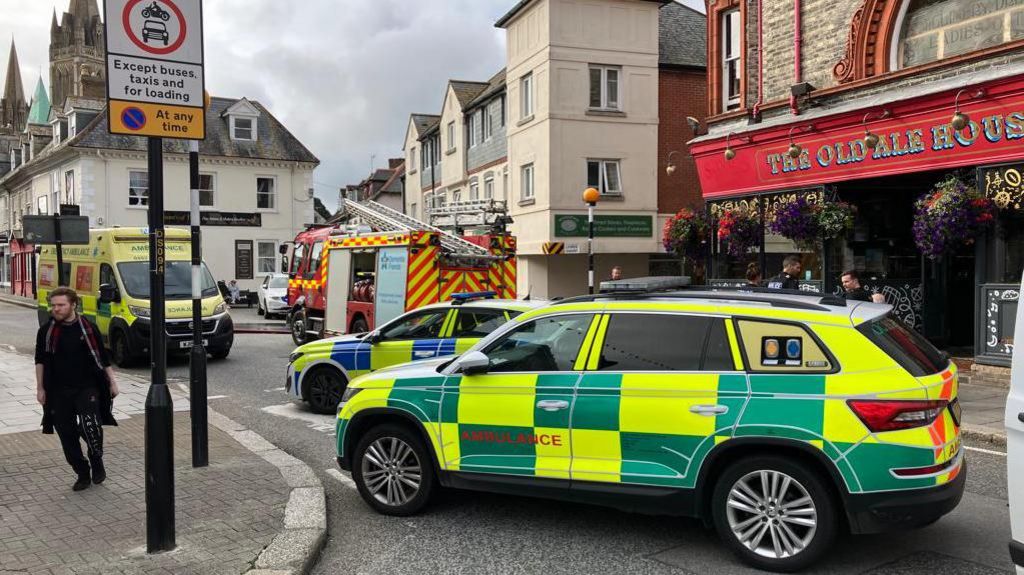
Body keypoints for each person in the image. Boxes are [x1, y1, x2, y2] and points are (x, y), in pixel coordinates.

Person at [35, 287, 119, 491]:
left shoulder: (88, 328)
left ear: (73, 304)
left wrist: (112, 382)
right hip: (57, 391)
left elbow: (102, 357)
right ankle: (82, 472)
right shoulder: (46, 331)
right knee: (67, 434)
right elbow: (40, 361)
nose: (56, 309)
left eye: (61, 305)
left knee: (91, 426)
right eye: (53, 305)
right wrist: (40, 388)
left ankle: (96, 458)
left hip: (87, 387)